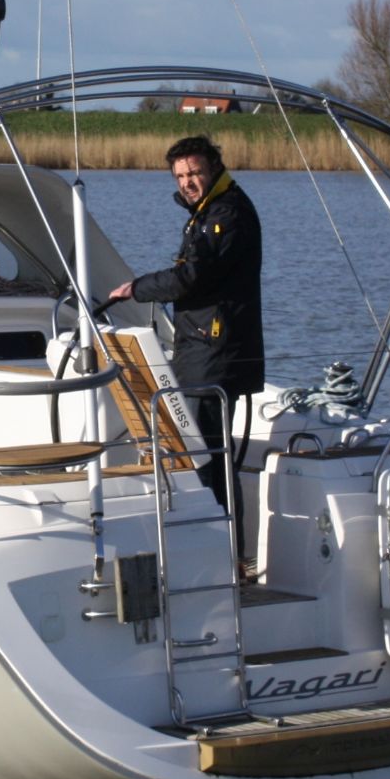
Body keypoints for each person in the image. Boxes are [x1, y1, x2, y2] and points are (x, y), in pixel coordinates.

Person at [107, 134, 264, 556]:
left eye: (194, 172)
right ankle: (220, 554)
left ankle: (225, 557)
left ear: (214, 167)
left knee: (207, 458)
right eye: (180, 176)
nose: (187, 182)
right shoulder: (207, 210)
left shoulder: (226, 214)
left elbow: (191, 277)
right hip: (201, 349)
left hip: (215, 354)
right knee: (206, 455)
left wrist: (136, 289)